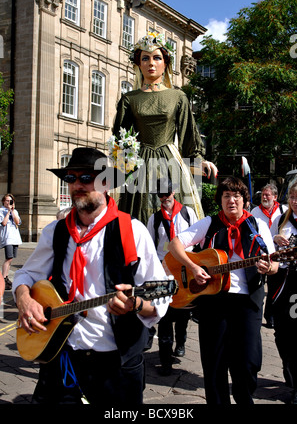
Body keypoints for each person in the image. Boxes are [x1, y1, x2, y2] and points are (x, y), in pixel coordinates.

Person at [12, 147, 169, 405]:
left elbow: (161, 295)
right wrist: (24, 299)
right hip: (62, 354)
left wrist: (136, 304)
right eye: (71, 178)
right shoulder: (56, 231)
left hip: (116, 364)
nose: (77, 185)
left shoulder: (133, 230)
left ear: (106, 183)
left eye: (86, 178)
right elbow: (27, 274)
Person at [168, 176, 278, 405]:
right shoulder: (209, 223)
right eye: (227, 196)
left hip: (248, 301)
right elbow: (174, 245)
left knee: (248, 361)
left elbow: (275, 263)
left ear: (244, 201)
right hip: (214, 300)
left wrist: (269, 267)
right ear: (220, 200)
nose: (232, 201)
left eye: (237, 196)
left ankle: (244, 398)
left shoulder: (257, 225)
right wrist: (193, 266)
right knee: (214, 361)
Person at [112, 31, 217, 226]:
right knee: (137, 214)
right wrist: (121, 166)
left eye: (156, 58)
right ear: (138, 64)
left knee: (174, 215)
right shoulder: (129, 99)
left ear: (165, 63)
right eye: (145, 58)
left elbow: (188, 135)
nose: (151, 63)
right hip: (139, 164)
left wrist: (198, 160)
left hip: (169, 160)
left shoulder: (178, 97)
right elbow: (120, 137)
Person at [147, 178, 197, 375]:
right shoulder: (155, 218)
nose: (163, 198)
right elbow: (150, 246)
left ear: (174, 192)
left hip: (184, 267)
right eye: (160, 195)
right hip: (164, 269)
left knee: (183, 311)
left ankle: (182, 341)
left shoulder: (187, 213)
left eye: (166, 194)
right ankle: (165, 360)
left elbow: (197, 240)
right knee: (165, 314)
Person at [270, 179, 297, 404]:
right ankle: (287, 365)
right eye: (292, 198)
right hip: (282, 281)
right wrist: (275, 238)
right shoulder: (280, 219)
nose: (295, 202)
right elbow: (268, 249)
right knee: (281, 332)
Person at [251, 183, 288, 328]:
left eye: (267, 195)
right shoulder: (255, 211)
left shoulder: (283, 211)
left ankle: (270, 316)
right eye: (263, 195)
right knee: (257, 285)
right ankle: (256, 313)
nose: (264, 197)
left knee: (273, 288)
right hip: (258, 255)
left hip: (276, 255)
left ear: (275, 196)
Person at [0, 194, 22, 290]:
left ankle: (6, 277)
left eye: (11, 201)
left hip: (15, 237)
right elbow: (4, 223)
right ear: (3, 201)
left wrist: (12, 212)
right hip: (7, 237)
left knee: (11, 259)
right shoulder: (1, 211)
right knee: (8, 258)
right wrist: (8, 212)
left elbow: (17, 222)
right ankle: (3, 278)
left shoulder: (15, 211)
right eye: (7, 201)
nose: (9, 203)